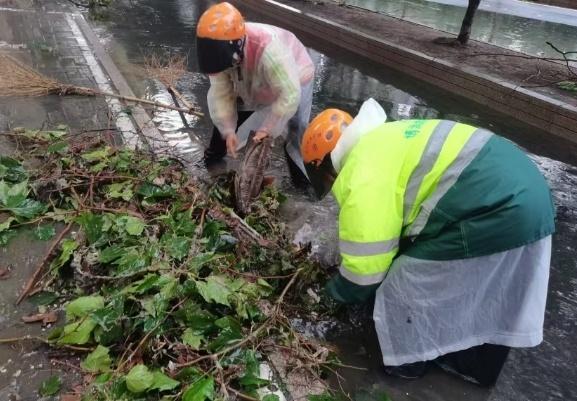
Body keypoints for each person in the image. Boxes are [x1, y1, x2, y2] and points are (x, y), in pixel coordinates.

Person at [300, 98, 555, 386]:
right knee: (486, 292)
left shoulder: (361, 171)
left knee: (403, 282)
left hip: (500, 207)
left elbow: (364, 273)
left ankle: (406, 365)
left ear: (328, 170)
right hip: (528, 197)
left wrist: (330, 295)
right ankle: (476, 370)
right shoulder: (386, 138)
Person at [196, 2, 315, 178]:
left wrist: (267, 128)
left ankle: (302, 185)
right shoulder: (218, 55)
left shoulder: (271, 50)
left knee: (294, 134)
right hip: (250, 81)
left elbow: (289, 94)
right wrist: (228, 130)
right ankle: (214, 169)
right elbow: (221, 93)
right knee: (225, 131)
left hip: (292, 78)